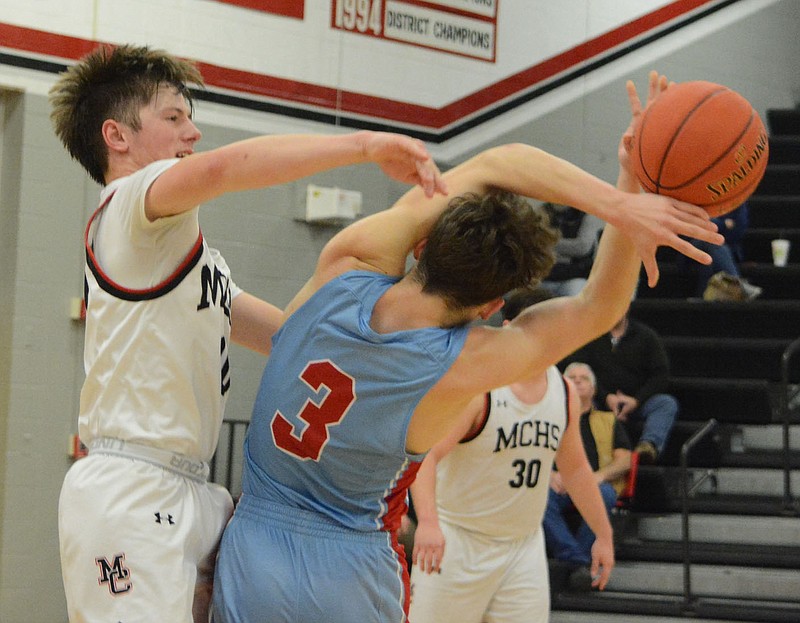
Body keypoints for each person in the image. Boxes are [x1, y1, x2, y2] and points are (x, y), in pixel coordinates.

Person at [211, 71, 723, 623]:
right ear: (491, 307)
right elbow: (598, 307)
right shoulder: (464, 363)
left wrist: (616, 198)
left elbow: (493, 164)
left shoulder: (348, 261)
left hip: (254, 544)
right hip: (351, 568)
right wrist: (630, 190)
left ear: (424, 243)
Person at [49, 43, 445, 623]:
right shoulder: (127, 206)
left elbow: (289, 340)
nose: (194, 132)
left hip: (192, 489)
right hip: (130, 487)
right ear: (117, 137)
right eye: (175, 117)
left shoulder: (184, 257)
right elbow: (227, 168)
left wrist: (397, 336)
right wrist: (364, 145)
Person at [407, 287, 616, 623]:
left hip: (523, 548)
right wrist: (429, 523)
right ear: (508, 329)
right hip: (460, 541)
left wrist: (603, 535)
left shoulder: (564, 391)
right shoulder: (479, 387)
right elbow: (425, 456)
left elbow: (576, 469)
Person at [543, 362, 632, 591]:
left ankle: (574, 562)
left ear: (594, 389)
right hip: (559, 485)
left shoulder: (608, 420)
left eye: (584, 378)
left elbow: (625, 460)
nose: (578, 381)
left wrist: (598, 477)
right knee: (538, 497)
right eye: (572, 377)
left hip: (594, 484)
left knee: (603, 494)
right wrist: (549, 474)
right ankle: (579, 561)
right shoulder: (547, 419)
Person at [561, 306, 678, 464]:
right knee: (578, 396)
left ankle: (648, 445)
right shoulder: (590, 335)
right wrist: (606, 397)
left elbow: (661, 375)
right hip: (597, 401)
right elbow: (578, 369)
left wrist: (636, 400)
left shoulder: (646, 336)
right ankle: (580, 451)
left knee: (665, 403)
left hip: (637, 402)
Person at [685, 202, 761, 300]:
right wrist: (724, 224)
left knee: (713, 249)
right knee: (712, 242)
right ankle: (738, 284)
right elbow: (692, 225)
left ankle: (703, 297)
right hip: (693, 245)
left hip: (727, 249)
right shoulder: (697, 195)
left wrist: (714, 224)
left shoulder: (735, 198)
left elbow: (738, 231)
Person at [541, 202, 605, 296]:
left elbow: (582, 247)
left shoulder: (587, 214)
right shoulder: (544, 210)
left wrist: (550, 243)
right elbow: (536, 242)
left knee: (576, 296)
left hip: (575, 276)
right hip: (546, 275)